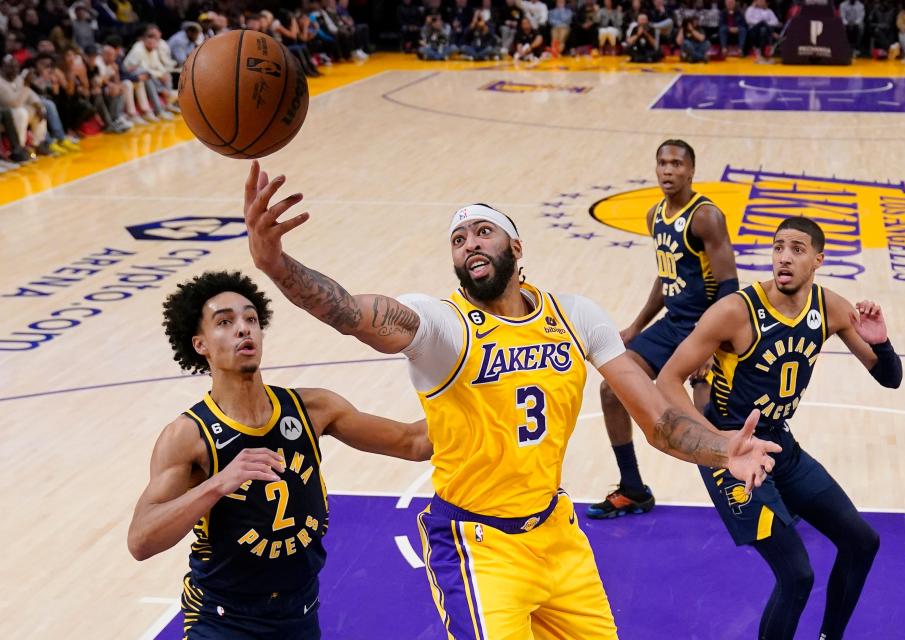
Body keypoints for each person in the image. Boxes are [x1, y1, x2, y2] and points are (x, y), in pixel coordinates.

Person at [241, 162, 780, 638]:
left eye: (483, 231)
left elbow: (659, 422)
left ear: (516, 248)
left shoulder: (575, 316)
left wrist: (721, 449)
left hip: (556, 534)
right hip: (478, 544)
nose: (470, 242)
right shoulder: (441, 325)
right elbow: (353, 314)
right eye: (458, 239)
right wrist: (277, 265)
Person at [127, 270, 431, 638]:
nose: (243, 329)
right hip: (223, 620)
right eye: (225, 322)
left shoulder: (313, 407)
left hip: (299, 613)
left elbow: (413, 442)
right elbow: (141, 540)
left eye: (251, 319)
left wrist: (488, 399)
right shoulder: (189, 436)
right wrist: (218, 484)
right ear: (200, 344)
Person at [658, 217, 902, 640]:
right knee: (797, 575)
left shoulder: (828, 307)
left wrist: (881, 342)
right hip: (730, 453)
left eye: (797, 248)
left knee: (863, 542)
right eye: (778, 247)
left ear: (818, 260)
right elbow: (666, 381)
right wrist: (715, 444)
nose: (784, 257)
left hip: (777, 445)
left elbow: (889, 378)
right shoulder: (736, 310)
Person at [587, 140, 738, 519]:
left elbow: (729, 287)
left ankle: (767, 489)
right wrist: (637, 325)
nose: (668, 170)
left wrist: (709, 345)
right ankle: (634, 488)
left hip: (706, 328)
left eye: (677, 164)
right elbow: (668, 274)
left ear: (691, 171)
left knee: (709, 416)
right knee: (611, 390)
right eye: (662, 163)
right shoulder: (655, 214)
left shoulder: (706, 217)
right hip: (673, 326)